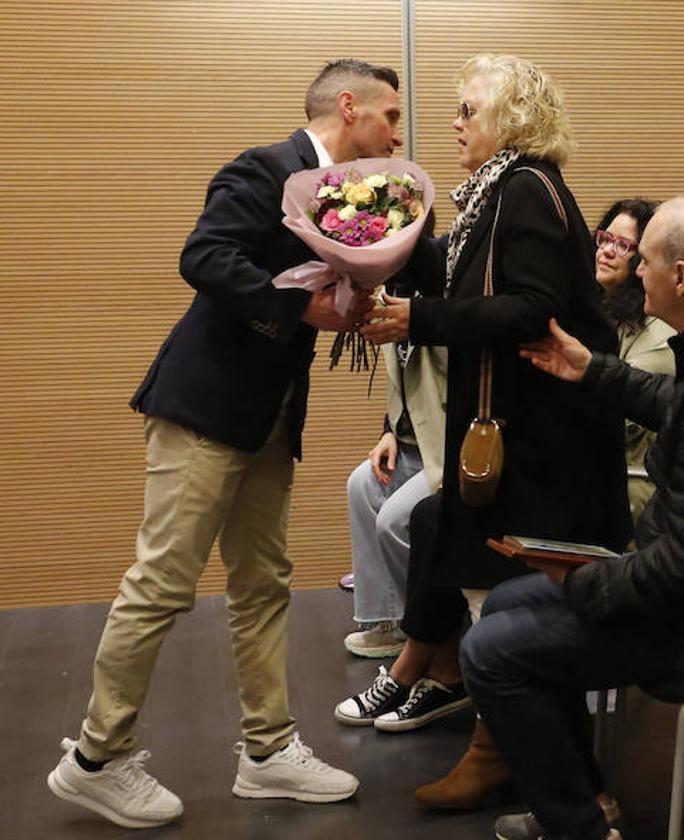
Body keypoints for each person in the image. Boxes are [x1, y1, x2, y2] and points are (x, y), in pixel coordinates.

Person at [46, 59, 398, 828]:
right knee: (163, 583)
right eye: (391, 117)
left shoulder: (344, 197)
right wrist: (301, 310)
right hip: (205, 405)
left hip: (269, 416)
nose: (398, 135)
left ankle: (267, 754)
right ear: (349, 106)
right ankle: (96, 759)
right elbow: (203, 258)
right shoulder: (267, 168)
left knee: (264, 581)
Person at [463, 194, 684, 840]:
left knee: (490, 651)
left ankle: (579, 826)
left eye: (646, 262)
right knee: (504, 606)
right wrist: (591, 370)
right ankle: (588, 796)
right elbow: (683, 407)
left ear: (681, 278)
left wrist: (578, 579)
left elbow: (678, 573)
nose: (636, 274)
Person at [353, 54, 631, 810]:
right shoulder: (496, 194)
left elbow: (528, 310)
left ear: (511, 118)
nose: (455, 123)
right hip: (519, 434)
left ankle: (551, 775)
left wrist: (418, 318)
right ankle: (511, 750)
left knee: (517, 605)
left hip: (546, 444)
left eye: (469, 110)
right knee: (493, 590)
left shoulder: (528, 191)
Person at [340, 328, 447, 659]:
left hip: (446, 451)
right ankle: (388, 621)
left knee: (394, 520)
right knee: (361, 485)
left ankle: (428, 632)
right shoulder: (396, 299)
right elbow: (404, 381)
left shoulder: (446, 310)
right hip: (410, 444)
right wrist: (390, 431)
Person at [594, 197, 676, 521]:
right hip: (595, 470)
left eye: (624, 245)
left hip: (629, 487)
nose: (608, 251)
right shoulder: (598, 309)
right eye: (605, 239)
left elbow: (615, 422)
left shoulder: (659, 334)